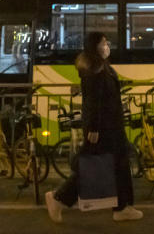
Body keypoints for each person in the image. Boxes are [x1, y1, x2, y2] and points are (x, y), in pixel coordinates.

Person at [45, 32, 142, 223]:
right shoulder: (95, 69)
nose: (107, 45)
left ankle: (123, 207)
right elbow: (94, 102)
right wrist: (94, 129)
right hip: (104, 128)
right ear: (95, 46)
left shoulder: (100, 66)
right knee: (96, 166)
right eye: (104, 42)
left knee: (117, 164)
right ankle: (59, 198)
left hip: (111, 125)